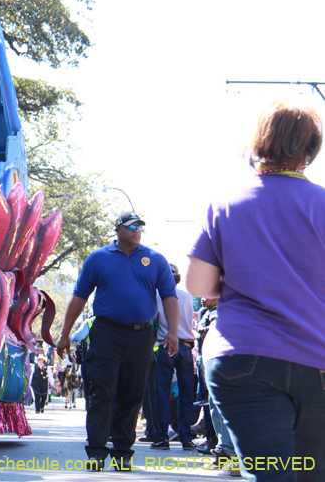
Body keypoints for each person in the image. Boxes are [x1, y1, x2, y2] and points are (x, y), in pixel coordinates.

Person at [185, 101, 325, 482]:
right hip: (317, 359)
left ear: (257, 145)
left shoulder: (223, 204)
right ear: (310, 151)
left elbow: (197, 286)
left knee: (270, 474)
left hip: (240, 356)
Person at [56, 211, 179, 472]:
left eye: (140, 227)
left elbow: (169, 297)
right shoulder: (98, 258)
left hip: (142, 335)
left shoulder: (155, 259)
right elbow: (79, 296)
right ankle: (97, 452)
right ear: (118, 230)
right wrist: (65, 333)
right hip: (106, 333)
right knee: (101, 392)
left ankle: (122, 451)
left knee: (132, 395)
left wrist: (173, 332)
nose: (137, 230)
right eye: (131, 226)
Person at [150, 265, 198, 451]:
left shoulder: (157, 297)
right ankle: (186, 438)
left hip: (165, 346)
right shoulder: (188, 297)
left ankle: (162, 438)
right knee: (186, 395)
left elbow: (153, 320)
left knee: (162, 394)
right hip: (185, 347)